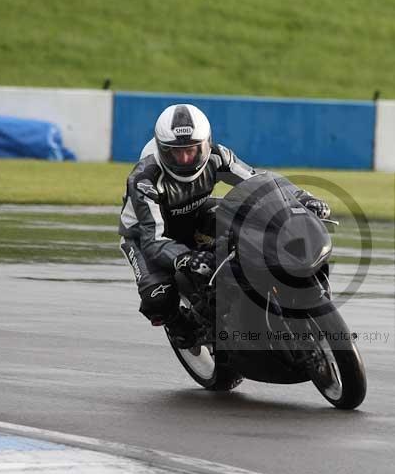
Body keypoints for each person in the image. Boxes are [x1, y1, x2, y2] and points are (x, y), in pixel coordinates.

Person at [118, 104, 331, 345]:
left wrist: (302, 198)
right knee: (158, 298)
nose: (186, 158)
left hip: (196, 212)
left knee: (250, 223)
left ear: (206, 143)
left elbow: (260, 181)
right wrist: (184, 258)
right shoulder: (144, 180)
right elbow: (152, 239)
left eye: (192, 150)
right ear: (161, 149)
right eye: (176, 152)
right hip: (145, 234)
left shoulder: (218, 156)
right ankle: (180, 326)